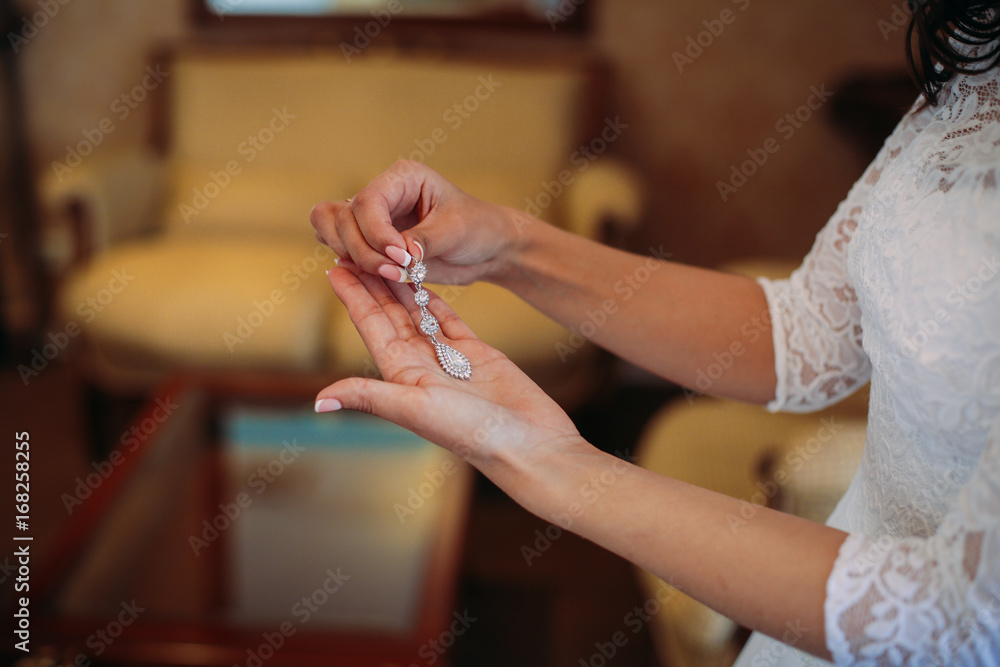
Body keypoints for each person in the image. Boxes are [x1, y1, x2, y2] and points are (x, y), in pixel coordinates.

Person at [309, 2, 1000, 663]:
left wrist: (548, 461)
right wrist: (503, 245)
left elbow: (957, 621)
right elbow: (808, 333)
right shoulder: (976, 53)